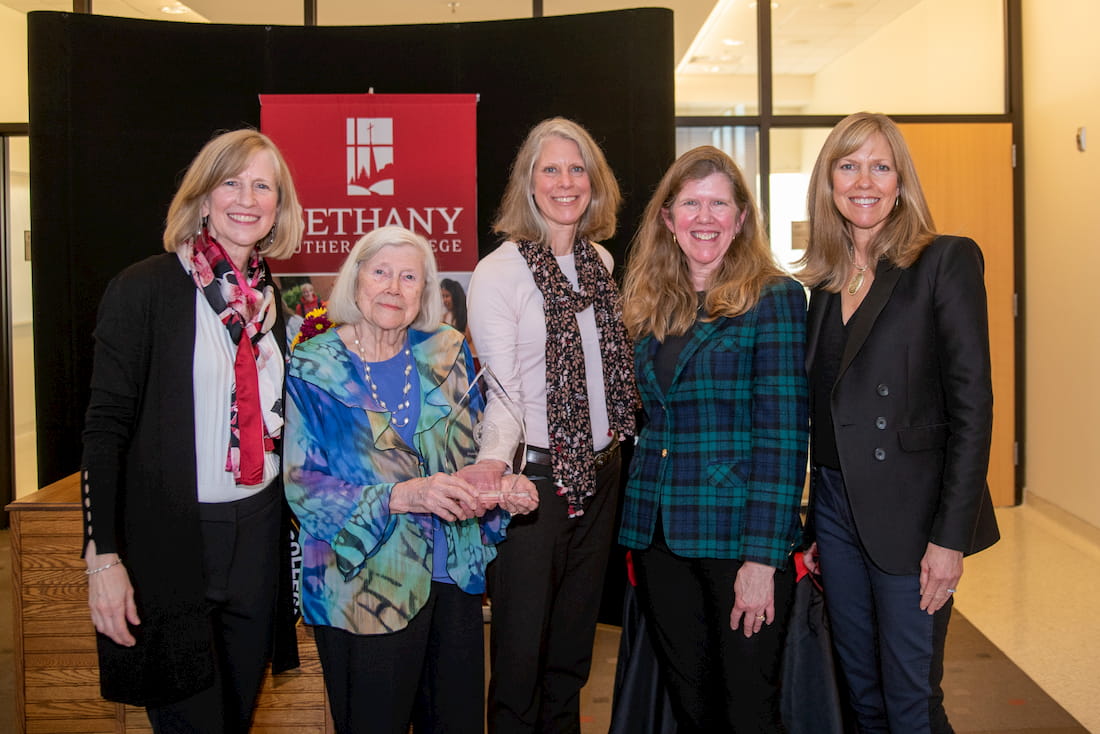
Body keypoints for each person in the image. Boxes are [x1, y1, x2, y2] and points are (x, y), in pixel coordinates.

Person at [81, 128, 303, 732]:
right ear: (202, 198)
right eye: (231, 181)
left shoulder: (268, 300)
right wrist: (102, 557)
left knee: (235, 719)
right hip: (171, 543)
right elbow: (104, 430)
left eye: (263, 185)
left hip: (255, 536)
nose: (247, 197)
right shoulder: (144, 288)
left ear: (278, 207)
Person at [282, 225, 538, 734]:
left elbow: (470, 452)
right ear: (355, 282)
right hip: (366, 585)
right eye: (380, 273)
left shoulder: (445, 348)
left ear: (426, 291)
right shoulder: (315, 365)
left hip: (452, 575)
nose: (393, 288)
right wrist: (402, 495)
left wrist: (498, 485)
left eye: (408, 277)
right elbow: (301, 485)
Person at [798, 112, 1000, 733]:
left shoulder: (944, 261)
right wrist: (809, 519)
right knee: (862, 696)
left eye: (881, 166)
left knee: (910, 698)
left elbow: (973, 409)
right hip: (835, 509)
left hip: (914, 519)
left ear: (901, 179)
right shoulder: (824, 285)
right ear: (829, 180)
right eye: (849, 165)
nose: (865, 181)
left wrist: (949, 540)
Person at [618, 145, 809, 732]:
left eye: (719, 204)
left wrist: (762, 558)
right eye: (691, 203)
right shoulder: (650, 303)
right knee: (691, 708)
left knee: (749, 709)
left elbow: (783, 436)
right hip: (658, 536)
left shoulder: (772, 297)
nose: (705, 217)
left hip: (737, 537)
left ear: (742, 219)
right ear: (668, 219)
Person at [466, 117, 637, 733]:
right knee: (518, 661)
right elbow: (505, 394)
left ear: (594, 181)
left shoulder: (599, 261)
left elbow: (604, 372)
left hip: (601, 476)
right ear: (528, 183)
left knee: (570, 657)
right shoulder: (499, 272)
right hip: (531, 487)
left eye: (576, 168)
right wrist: (492, 465)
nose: (565, 182)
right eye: (550, 169)